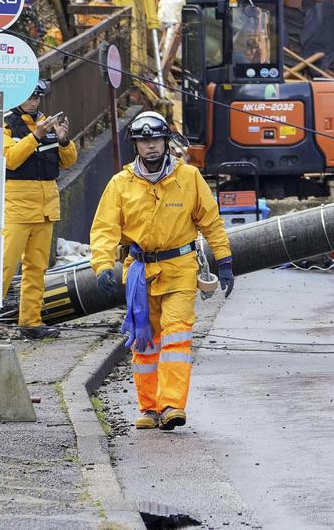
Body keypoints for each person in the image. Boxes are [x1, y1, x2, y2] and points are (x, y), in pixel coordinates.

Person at [90, 111, 234, 431]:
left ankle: (171, 405)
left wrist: (224, 261)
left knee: (176, 336)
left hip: (180, 269)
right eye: (144, 141)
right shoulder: (120, 184)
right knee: (146, 341)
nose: (150, 146)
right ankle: (149, 408)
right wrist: (101, 266)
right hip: (140, 272)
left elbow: (210, 221)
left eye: (155, 139)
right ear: (136, 146)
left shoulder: (189, 178)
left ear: (165, 141)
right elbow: (104, 230)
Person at [0, 79, 77, 339]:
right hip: (18, 206)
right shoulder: (5, 124)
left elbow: (68, 162)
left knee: (37, 268)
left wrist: (64, 141)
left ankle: (31, 321)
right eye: (30, 97)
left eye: (38, 97)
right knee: (4, 266)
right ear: (18, 96)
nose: (35, 101)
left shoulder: (47, 122)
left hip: (46, 206)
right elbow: (9, 159)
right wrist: (35, 136)